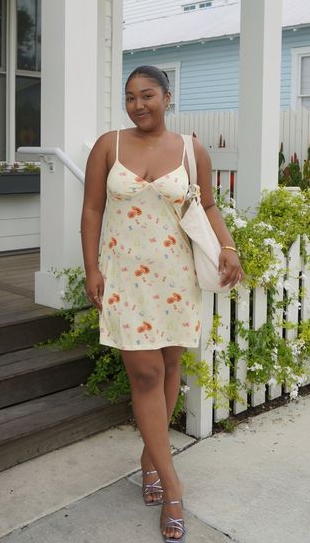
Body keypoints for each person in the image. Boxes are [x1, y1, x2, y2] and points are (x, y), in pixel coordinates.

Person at [81, 65, 243, 542]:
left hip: (176, 279)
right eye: (130, 97)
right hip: (125, 280)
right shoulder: (107, 145)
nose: (138, 105)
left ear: (167, 97)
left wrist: (228, 248)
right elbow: (91, 208)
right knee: (146, 373)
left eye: (147, 95)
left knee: (171, 366)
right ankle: (173, 485)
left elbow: (208, 207)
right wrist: (92, 268)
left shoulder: (192, 150)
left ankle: (151, 459)